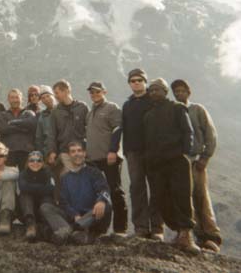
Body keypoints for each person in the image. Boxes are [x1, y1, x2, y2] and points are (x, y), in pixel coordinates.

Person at [144, 78, 200, 253]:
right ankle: (177, 232)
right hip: (157, 164)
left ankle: (186, 235)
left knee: (182, 197)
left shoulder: (177, 108)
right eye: (151, 90)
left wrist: (184, 153)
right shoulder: (148, 116)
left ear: (165, 91)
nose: (154, 93)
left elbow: (188, 131)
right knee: (161, 198)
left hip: (177, 161)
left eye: (157, 90)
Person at [171, 79, 221, 252]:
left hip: (197, 160)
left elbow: (211, 135)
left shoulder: (198, 110)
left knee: (201, 196)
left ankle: (211, 236)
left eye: (182, 91)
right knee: (185, 198)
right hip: (181, 162)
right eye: (176, 91)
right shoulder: (174, 111)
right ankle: (191, 235)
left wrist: (205, 157)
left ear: (188, 92)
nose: (179, 94)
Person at [40, 141, 112, 245]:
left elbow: (104, 189)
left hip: (92, 217)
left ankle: (70, 231)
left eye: (79, 151)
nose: (77, 154)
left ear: (84, 153)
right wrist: (74, 214)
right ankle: (75, 235)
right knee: (46, 207)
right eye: (73, 152)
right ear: (69, 156)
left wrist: (101, 201)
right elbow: (63, 202)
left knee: (106, 205)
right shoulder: (65, 178)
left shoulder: (94, 172)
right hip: (74, 217)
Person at [121, 68, 163, 239]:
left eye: (139, 80)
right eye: (133, 80)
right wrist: (126, 151)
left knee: (156, 188)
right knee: (136, 188)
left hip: (153, 152)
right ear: (130, 84)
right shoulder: (127, 104)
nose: (136, 82)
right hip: (133, 153)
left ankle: (158, 228)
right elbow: (123, 128)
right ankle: (141, 227)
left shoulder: (154, 101)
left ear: (145, 82)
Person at [85, 81, 128, 236]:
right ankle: (99, 228)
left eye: (97, 92)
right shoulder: (90, 112)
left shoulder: (112, 108)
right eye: (92, 92)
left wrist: (113, 151)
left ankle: (120, 229)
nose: (94, 94)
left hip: (109, 157)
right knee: (97, 193)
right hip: (93, 159)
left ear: (104, 92)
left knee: (115, 190)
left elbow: (118, 129)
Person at [46, 80, 89, 174]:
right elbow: (52, 133)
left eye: (57, 93)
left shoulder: (82, 107)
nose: (55, 96)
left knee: (82, 176)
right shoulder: (55, 111)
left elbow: (89, 129)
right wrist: (52, 151)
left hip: (81, 151)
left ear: (66, 91)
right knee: (71, 175)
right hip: (64, 151)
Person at [0, 88, 37, 169]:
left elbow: (32, 125)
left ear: (22, 99)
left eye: (17, 97)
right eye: (12, 97)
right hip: (8, 152)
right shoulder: (2, 115)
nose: (15, 100)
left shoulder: (29, 113)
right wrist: (23, 127)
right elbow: (2, 129)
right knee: (9, 178)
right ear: (8, 99)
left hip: (26, 151)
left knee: (25, 178)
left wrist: (13, 123)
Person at [18, 151, 55, 241]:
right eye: (32, 160)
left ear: (42, 163)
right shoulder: (23, 173)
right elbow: (23, 187)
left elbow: (50, 188)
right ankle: (30, 225)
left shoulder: (47, 172)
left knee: (47, 197)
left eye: (38, 160)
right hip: (28, 210)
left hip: (43, 208)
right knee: (25, 195)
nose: (35, 163)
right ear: (27, 162)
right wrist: (42, 188)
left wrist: (31, 188)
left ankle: (46, 226)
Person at [35, 85, 55, 154]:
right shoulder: (42, 116)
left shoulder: (62, 111)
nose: (46, 99)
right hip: (47, 152)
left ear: (53, 96)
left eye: (48, 96)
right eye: (43, 98)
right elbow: (39, 138)